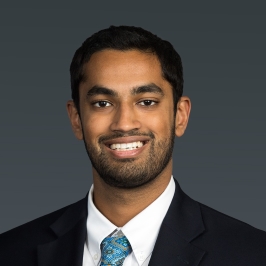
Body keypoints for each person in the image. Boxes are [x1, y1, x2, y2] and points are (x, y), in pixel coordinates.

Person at [0, 25, 266, 266]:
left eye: (146, 101)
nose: (124, 124)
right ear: (76, 119)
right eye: (102, 103)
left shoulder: (254, 254)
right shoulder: (10, 252)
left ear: (180, 116)